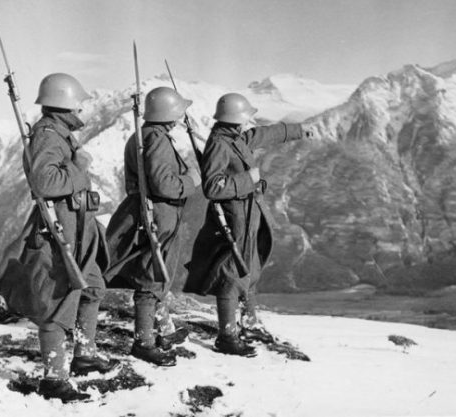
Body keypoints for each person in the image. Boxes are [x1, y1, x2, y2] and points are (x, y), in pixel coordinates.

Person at [0, 73, 113, 402]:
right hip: (61, 229)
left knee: (92, 287)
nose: (83, 107)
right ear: (67, 102)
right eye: (79, 102)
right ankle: (54, 378)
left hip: (77, 225)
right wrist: (79, 169)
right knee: (57, 302)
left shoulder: (58, 132)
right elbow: (45, 181)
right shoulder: (48, 135)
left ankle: (85, 354)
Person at [184, 93, 312, 357]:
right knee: (233, 273)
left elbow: (262, 135)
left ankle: (250, 324)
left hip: (248, 212)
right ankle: (227, 336)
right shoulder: (220, 144)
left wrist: (297, 130)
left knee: (249, 269)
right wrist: (248, 178)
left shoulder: (234, 138)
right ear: (234, 120)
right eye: (243, 118)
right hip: (236, 215)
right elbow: (212, 187)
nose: (246, 123)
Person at [104, 86, 201, 367]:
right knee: (152, 276)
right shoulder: (156, 139)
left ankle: (160, 331)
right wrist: (191, 181)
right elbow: (164, 184)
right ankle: (144, 342)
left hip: (151, 213)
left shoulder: (143, 135)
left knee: (156, 273)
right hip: (159, 215)